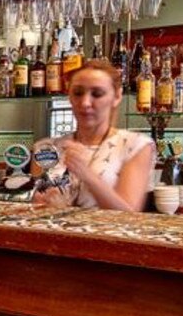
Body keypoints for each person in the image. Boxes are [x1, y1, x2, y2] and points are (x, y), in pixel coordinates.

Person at [33, 61, 155, 211]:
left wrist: (87, 175)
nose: (85, 103)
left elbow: (128, 214)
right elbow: (35, 206)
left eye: (97, 94)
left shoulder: (135, 145)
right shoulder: (47, 148)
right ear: (69, 96)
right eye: (78, 93)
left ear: (117, 96)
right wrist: (40, 201)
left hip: (106, 234)